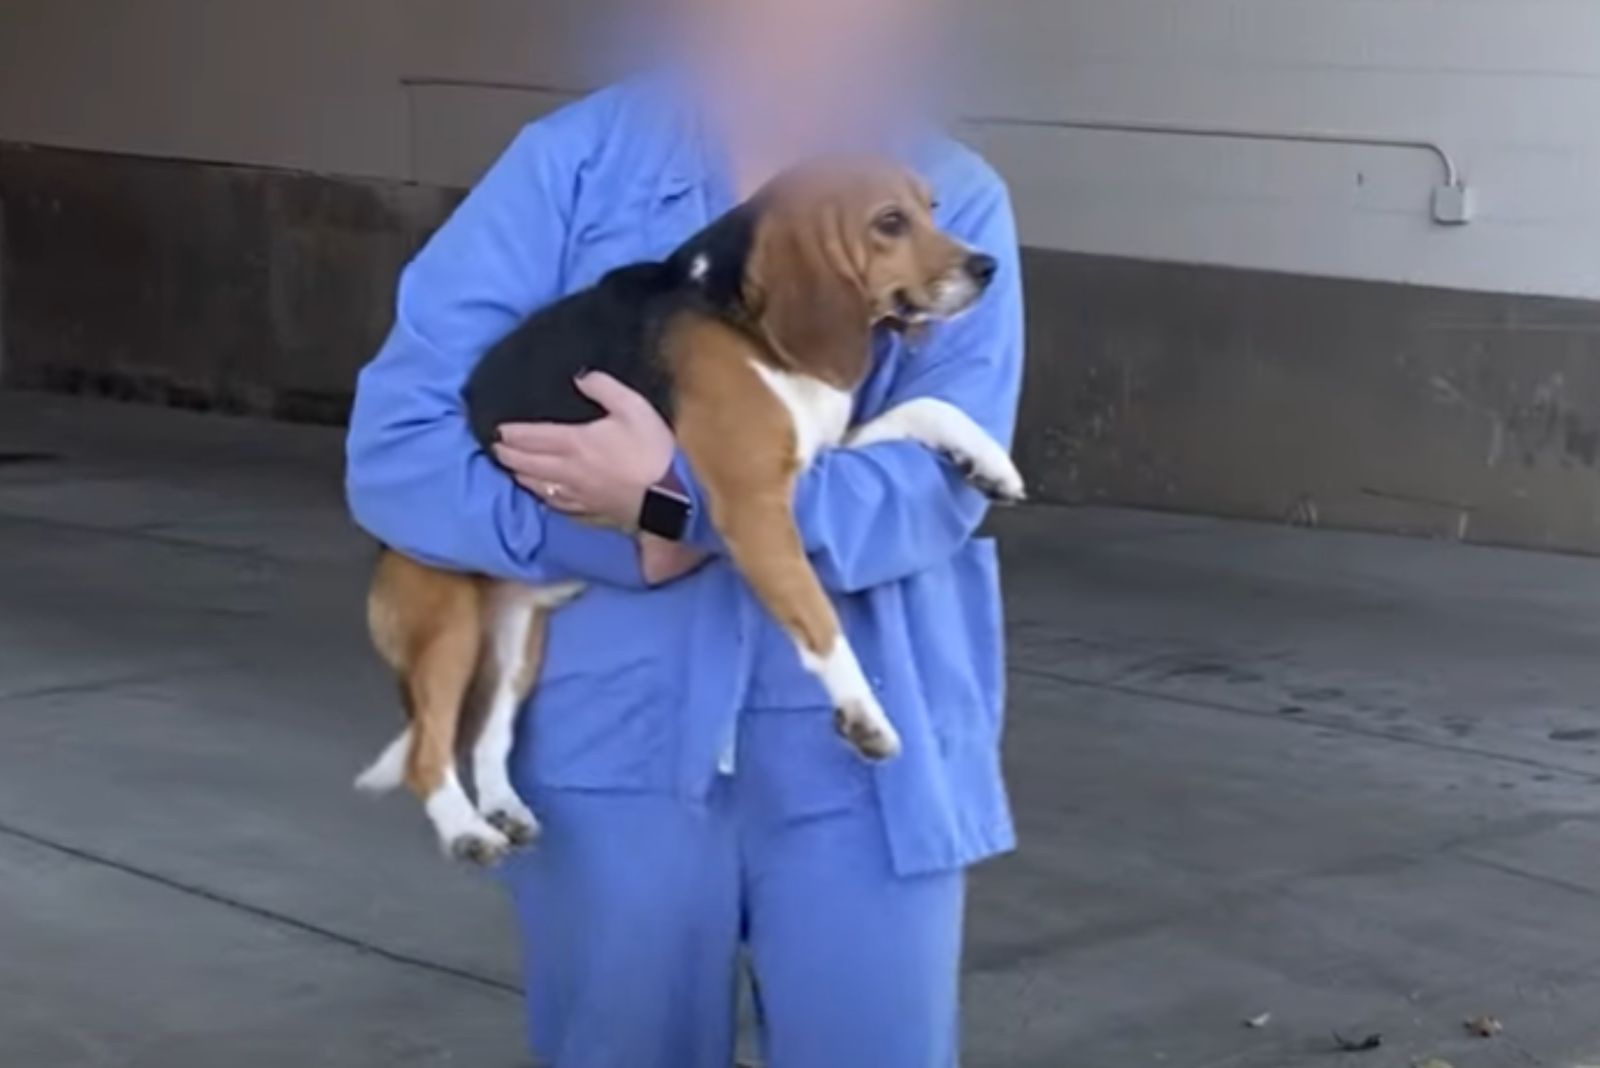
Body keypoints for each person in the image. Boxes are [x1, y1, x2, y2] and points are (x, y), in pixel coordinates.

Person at [344, 1, 1024, 1064]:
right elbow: (397, 448)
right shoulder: (571, 169)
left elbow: (932, 489)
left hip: (868, 766)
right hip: (615, 751)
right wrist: (609, 534)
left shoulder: (948, 196)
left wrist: (675, 502)